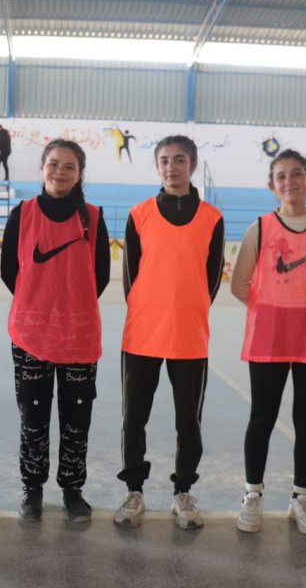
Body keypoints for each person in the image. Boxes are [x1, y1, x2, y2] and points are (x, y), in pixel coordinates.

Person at [115, 135, 224, 530]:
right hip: (142, 334)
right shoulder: (139, 214)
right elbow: (130, 278)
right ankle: (134, 490)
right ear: (157, 166)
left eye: (179, 160)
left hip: (189, 335)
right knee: (134, 417)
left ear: (192, 165)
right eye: (164, 160)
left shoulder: (211, 217)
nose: (171, 167)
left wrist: (187, 308)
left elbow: (212, 279)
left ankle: (183, 491)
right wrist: (150, 308)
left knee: (188, 422)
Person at [231, 149, 306, 536]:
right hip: (269, 338)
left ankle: (301, 497)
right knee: (262, 417)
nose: (289, 181)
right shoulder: (259, 228)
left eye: (296, 174)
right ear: (271, 185)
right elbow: (239, 283)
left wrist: (299, 309)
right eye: (281, 176)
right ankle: (253, 494)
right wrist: (272, 309)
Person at [1, 139, 110, 523]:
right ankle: (32, 488)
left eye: (69, 166)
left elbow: (100, 276)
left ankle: (72, 489)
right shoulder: (23, 214)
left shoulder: (92, 217)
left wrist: (69, 309)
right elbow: (9, 271)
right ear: (42, 168)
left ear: (79, 173)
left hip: (79, 337)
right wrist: (40, 308)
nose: (59, 172)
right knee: (32, 418)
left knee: (77, 420)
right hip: (31, 337)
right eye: (53, 164)